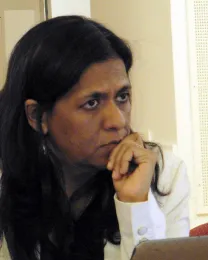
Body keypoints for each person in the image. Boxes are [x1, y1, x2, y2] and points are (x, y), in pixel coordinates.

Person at [0, 16, 190, 260]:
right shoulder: (7, 179)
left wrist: (135, 203)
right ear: (38, 116)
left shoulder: (163, 174)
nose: (118, 121)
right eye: (91, 103)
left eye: (122, 97)